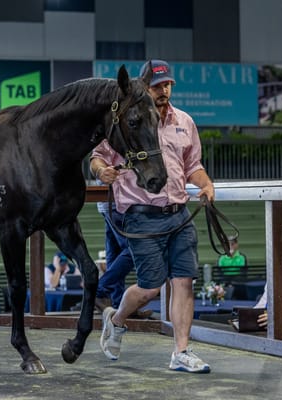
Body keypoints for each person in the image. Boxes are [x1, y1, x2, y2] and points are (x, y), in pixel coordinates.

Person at [91, 59, 214, 373]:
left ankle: (181, 352)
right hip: (142, 216)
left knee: (184, 282)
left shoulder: (184, 121)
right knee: (149, 289)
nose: (165, 90)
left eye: (168, 84)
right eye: (158, 85)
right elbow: (98, 157)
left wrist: (206, 183)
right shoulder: (127, 118)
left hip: (180, 214)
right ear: (143, 87)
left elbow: (193, 166)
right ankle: (116, 321)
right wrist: (102, 171)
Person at [94, 201, 152, 319]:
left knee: (115, 254)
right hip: (121, 205)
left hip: (109, 205)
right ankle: (100, 290)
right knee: (134, 249)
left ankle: (119, 304)